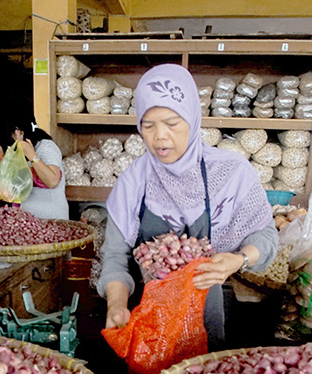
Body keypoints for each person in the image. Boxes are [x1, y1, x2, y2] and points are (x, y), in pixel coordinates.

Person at [99, 63, 277, 348]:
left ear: (193, 119)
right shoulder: (133, 181)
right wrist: (116, 303)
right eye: (148, 125)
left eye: (172, 123)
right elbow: (114, 258)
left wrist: (239, 259)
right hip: (146, 319)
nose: (160, 136)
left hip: (206, 313)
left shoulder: (230, 172)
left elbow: (265, 236)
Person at [9, 119, 69, 220]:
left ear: (19, 132)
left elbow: (52, 181)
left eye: (12, 136)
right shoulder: (18, 154)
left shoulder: (46, 147)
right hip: (29, 223)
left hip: (52, 220)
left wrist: (31, 154)